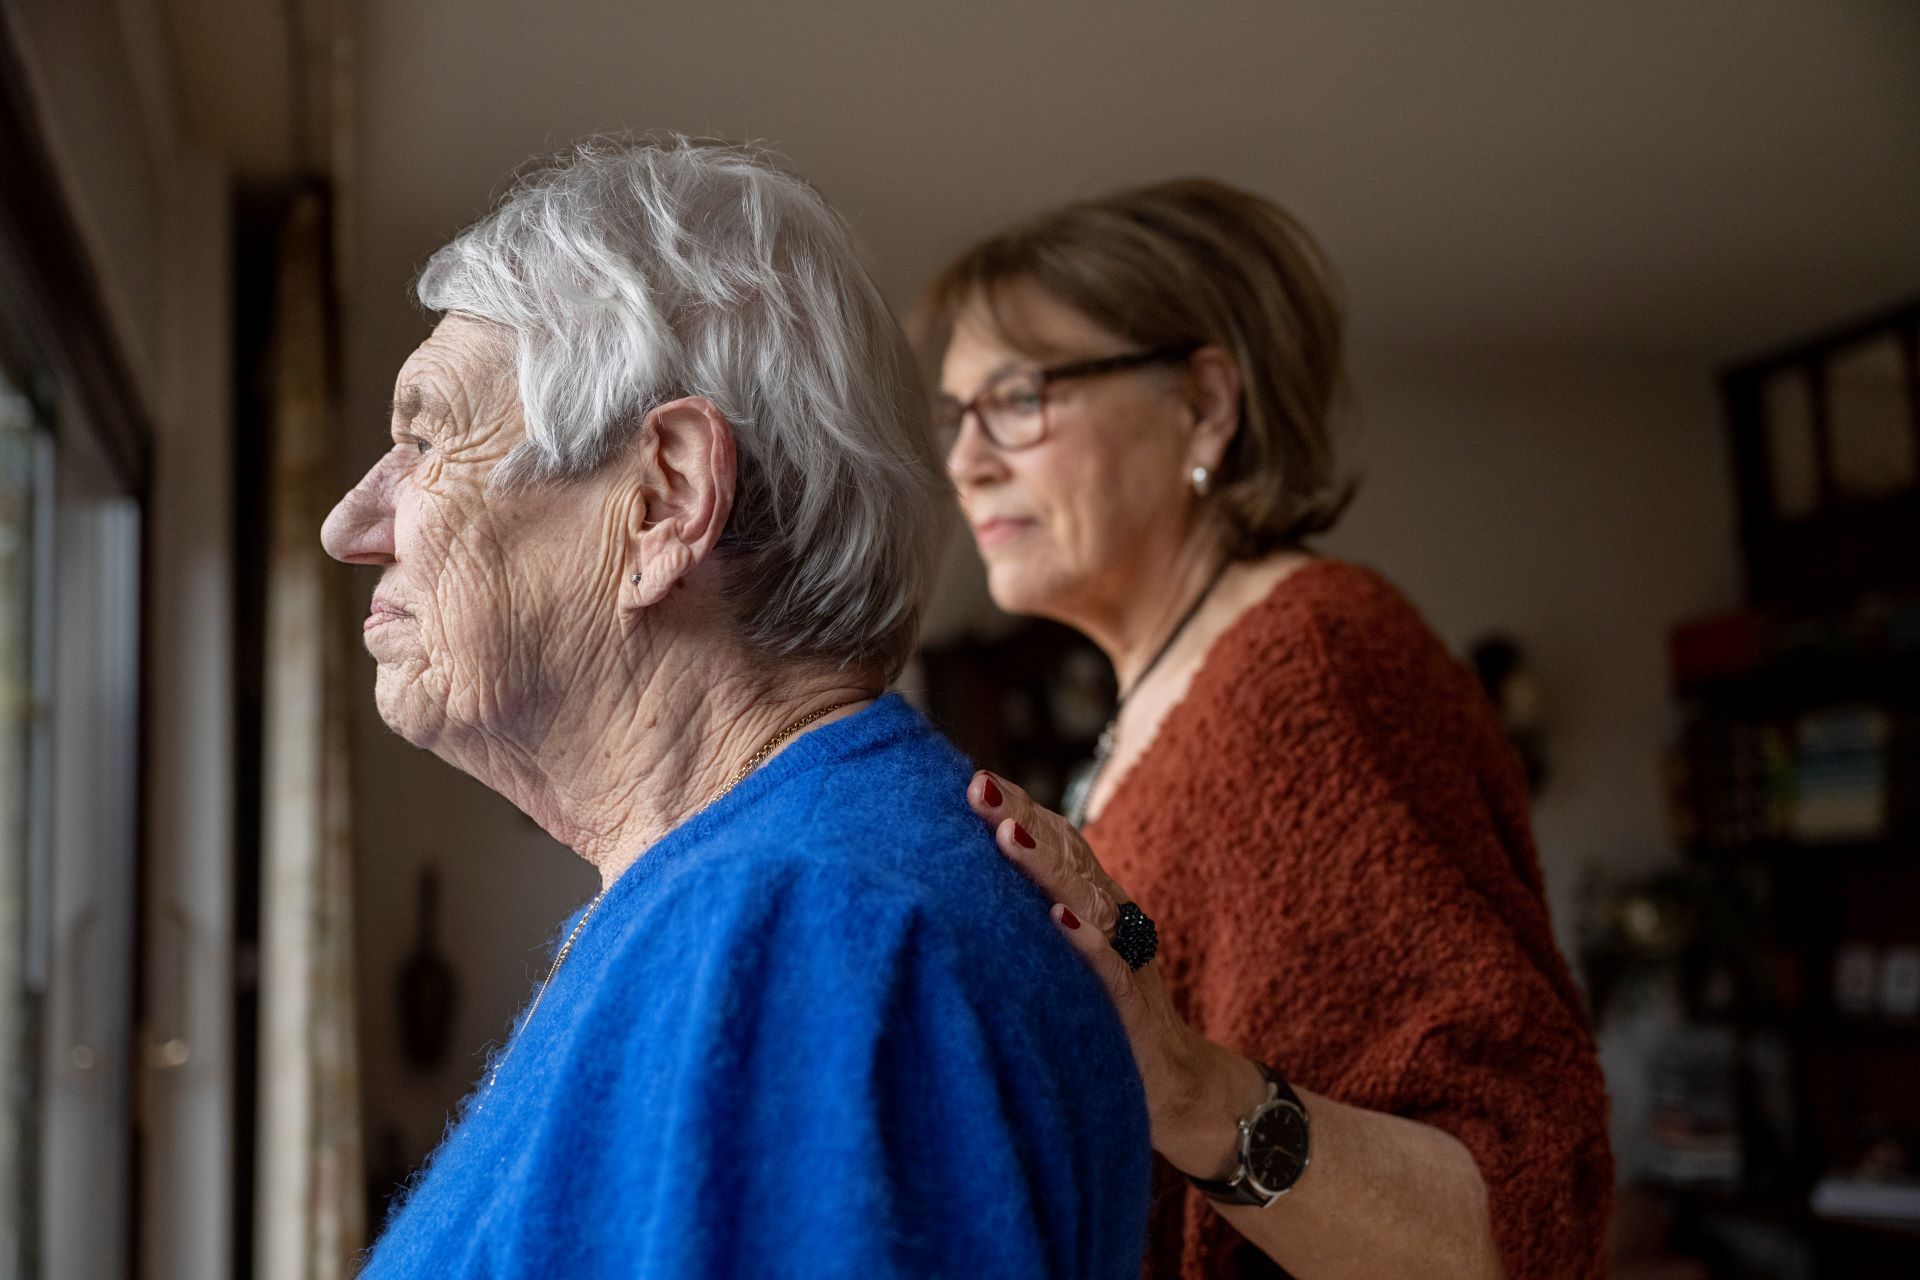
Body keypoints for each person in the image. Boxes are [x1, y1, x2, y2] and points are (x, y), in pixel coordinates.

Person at [323, 137, 1150, 1279]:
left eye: (424, 437)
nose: (353, 524)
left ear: (664, 499)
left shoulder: (800, 925)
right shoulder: (752, 895)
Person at [920, 179, 1612, 1279]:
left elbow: (1511, 1220)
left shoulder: (1316, 658)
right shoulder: (1153, 705)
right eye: (955, 416)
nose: (967, 459)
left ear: (1203, 403)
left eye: (1017, 397)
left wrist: (1187, 1089)